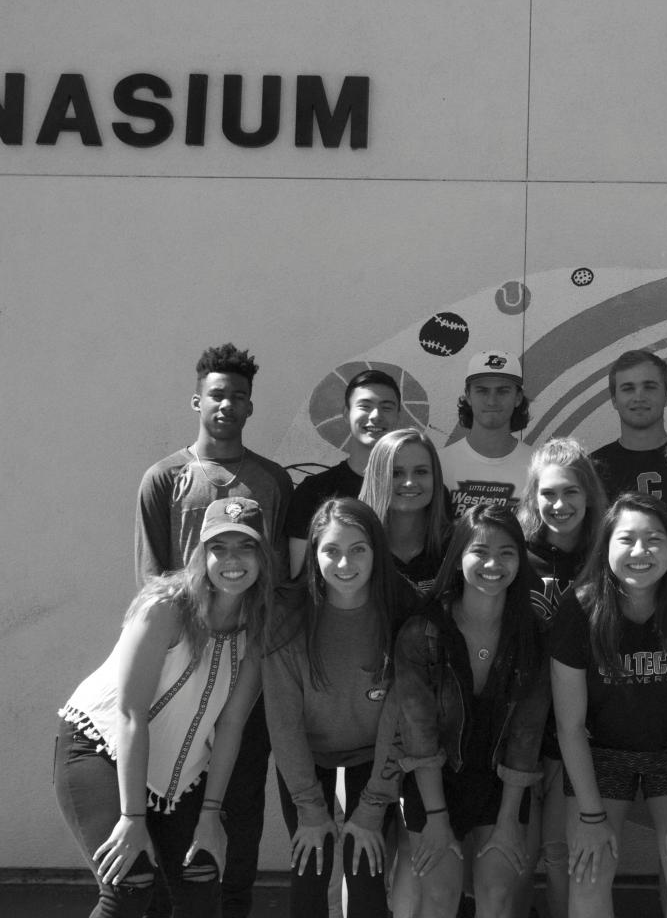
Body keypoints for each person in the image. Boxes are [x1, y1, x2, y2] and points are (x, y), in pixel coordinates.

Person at [133, 343, 291, 918]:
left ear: (251, 407)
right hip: (177, 677)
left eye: (239, 396)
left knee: (239, 809)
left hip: (245, 672)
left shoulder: (273, 482)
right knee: (164, 805)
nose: (227, 404)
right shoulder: (163, 478)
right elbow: (152, 582)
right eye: (217, 394)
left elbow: (280, 579)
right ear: (197, 399)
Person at [57, 498, 270, 918]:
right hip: (99, 748)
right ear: (200, 554)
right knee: (131, 886)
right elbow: (129, 714)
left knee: (200, 880)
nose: (232, 560)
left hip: (180, 775)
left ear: (263, 557)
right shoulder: (165, 607)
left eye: (245, 547)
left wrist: (210, 816)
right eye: (219, 547)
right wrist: (132, 817)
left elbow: (231, 725)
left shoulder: (261, 624)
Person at [549, 494, 667, 918]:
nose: (640, 552)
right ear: (606, 546)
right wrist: (592, 819)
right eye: (626, 539)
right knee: (589, 873)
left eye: (654, 539)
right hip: (601, 753)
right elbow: (569, 725)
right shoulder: (579, 609)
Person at [386, 503, 551, 918]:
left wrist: (510, 819)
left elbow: (527, 733)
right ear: (458, 559)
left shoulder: (532, 633)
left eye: (507, 552)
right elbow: (418, 733)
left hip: (501, 784)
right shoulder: (421, 630)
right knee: (439, 898)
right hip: (434, 780)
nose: (493, 564)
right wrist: (438, 820)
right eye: (480, 551)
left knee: (496, 897)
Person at [263, 498, 414, 918]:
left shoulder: (401, 611)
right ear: (313, 553)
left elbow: (399, 717)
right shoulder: (287, 616)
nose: (344, 562)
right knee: (311, 866)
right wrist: (310, 809)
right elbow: (284, 722)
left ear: (377, 552)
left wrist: (372, 806)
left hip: (374, 752)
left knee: (365, 868)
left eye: (358, 549)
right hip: (308, 755)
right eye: (331, 550)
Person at [517, 437, 612, 918]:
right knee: (512, 855)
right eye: (548, 494)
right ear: (533, 496)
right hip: (517, 726)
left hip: (580, 730)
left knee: (562, 853)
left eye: (571, 492)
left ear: (590, 495)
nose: (559, 505)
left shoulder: (608, 557)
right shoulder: (515, 555)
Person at [287, 368, 402, 577]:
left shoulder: (415, 491)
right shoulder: (313, 492)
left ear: (398, 416)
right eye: (365, 406)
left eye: (387, 407)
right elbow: (299, 581)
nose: (376, 416)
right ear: (346, 414)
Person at [589, 349, 667, 507]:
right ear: (614, 400)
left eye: (649, 387)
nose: (639, 397)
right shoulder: (592, 469)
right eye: (628, 388)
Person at [360, 428, 452, 597]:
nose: (409, 482)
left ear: (435, 478)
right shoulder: (356, 546)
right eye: (396, 473)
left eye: (421, 472)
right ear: (376, 480)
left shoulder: (454, 547)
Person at [442, 349, 534, 515]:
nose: (492, 401)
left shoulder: (538, 466)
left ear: (518, 397)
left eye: (502, 391)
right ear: (468, 395)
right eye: (482, 390)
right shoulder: (438, 464)